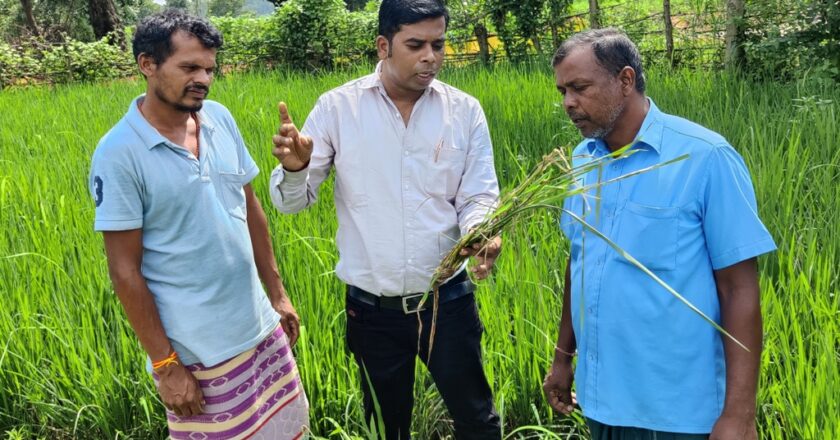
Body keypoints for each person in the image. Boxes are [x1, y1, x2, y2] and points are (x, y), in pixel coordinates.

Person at [268, 0, 502, 438]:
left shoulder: (464, 111)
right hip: (372, 311)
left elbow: (479, 194)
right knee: (385, 427)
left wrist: (480, 231)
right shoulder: (339, 108)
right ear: (383, 45)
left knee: (477, 419)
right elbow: (292, 204)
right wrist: (297, 168)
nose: (430, 56)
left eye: (438, 44)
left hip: (447, 302)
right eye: (415, 44)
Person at [542, 28, 776, 440]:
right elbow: (580, 260)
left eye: (579, 88)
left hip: (676, 411)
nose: (567, 103)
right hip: (600, 399)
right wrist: (564, 357)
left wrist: (739, 416)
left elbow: (739, 289)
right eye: (562, 90)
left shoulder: (704, 157)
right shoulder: (582, 159)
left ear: (625, 80)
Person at [89, 10, 308, 439]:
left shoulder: (219, 119)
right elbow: (124, 270)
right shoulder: (119, 152)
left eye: (209, 68)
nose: (203, 79)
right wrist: (165, 364)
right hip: (199, 354)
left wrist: (277, 295)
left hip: (260, 328)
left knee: (288, 430)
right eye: (189, 67)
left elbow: (249, 208)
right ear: (147, 65)